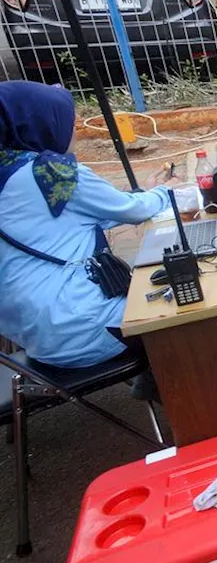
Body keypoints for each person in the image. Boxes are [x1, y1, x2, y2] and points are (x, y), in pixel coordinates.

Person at [0, 81, 172, 371]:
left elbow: (79, 215)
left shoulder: (10, 172)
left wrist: (139, 196)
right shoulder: (52, 174)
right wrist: (165, 193)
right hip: (83, 332)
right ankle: (169, 387)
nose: (74, 130)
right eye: (68, 121)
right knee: (190, 305)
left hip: (35, 339)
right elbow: (134, 211)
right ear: (41, 124)